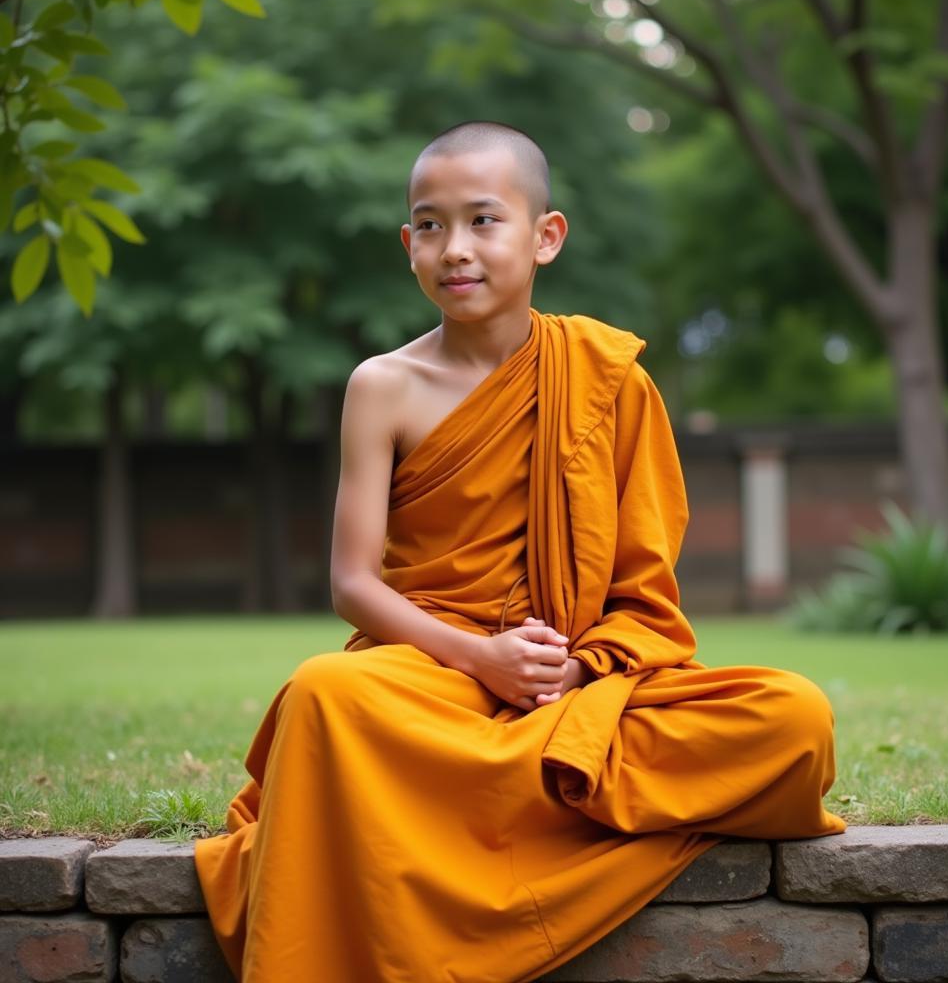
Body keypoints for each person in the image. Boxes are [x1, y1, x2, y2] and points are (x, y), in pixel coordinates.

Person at [194, 120, 846, 983]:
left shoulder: (608, 378)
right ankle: (532, 819)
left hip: (569, 690)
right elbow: (353, 584)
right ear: (407, 245)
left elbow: (645, 596)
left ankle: (451, 817)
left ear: (546, 237)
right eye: (429, 225)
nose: (454, 249)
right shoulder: (383, 387)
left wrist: (569, 676)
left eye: (483, 221)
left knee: (794, 719)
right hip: (435, 678)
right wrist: (481, 659)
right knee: (323, 693)